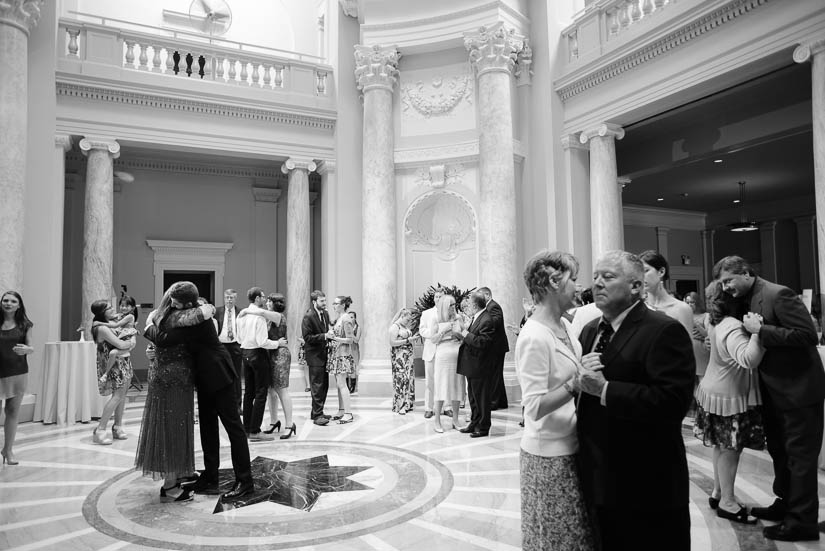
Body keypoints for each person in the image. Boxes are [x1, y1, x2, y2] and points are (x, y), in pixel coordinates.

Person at [577, 250, 694, 551]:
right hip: (599, 476)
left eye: (608, 277)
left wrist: (605, 390)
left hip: (647, 482)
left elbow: (672, 402)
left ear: (636, 287)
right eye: (595, 277)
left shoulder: (663, 330)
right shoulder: (591, 330)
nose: (597, 284)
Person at [714, 255, 825, 541]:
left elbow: (806, 335)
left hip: (799, 390)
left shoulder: (779, 294)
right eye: (722, 283)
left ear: (747, 272)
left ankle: (802, 522)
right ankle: (784, 503)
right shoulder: (747, 298)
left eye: (729, 280)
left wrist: (760, 331)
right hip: (773, 392)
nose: (726, 287)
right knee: (780, 452)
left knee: (799, 458)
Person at [144, 282, 255, 500]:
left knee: (234, 428)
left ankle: (245, 481)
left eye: (175, 299)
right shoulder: (189, 315)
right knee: (208, 428)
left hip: (218, 375)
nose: (171, 302)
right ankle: (210, 476)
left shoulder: (195, 319)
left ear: (185, 302)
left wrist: (147, 327)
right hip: (203, 377)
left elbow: (165, 338)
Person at [516, 250, 596, 550]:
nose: (579, 286)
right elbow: (534, 407)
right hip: (548, 456)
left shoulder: (564, 327)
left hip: (571, 446)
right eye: (573, 279)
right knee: (555, 539)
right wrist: (577, 383)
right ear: (553, 282)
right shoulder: (535, 336)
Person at [693, 281, 765, 524]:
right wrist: (757, 332)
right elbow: (748, 359)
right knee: (730, 450)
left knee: (720, 447)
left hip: (714, 391)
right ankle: (728, 502)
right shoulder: (733, 327)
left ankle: (718, 492)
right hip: (729, 396)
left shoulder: (713, 321)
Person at [134, 282, 211, 501]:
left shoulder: (159, 316)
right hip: (173, 379)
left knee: (176, 425)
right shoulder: (179, 318)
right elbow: (202, 313)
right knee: (172, 428)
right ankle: (170, 486)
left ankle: (178, 474)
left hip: (169, 376)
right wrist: (208, 309)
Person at [237, 287, 285, 441]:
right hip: (258, 354)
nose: (265, 300)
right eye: (263, 297)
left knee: (248, 393)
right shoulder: (259, 317)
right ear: (257, 298)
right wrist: (277, 343)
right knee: (260, 393)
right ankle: (256, 431)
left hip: (245, 353)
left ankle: (246, 429)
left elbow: (238, 339)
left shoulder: (241, 315)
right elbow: (262, 342)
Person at [90, 300, 136, 445]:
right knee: (117, 396)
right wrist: (131, 343)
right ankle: (100, 430)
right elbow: (120, 344)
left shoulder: (112, 321)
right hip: (113, 363)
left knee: (122, 396)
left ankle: (117, 426)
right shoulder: (101, 327)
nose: (113, 309)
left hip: (123, 361)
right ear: (101, 312)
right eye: (108, 308)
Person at [455, 291, 497, 437]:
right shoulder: (477, 317)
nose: (467, 306)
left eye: (469, 304)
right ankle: (474, 422)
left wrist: (464, 333)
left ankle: (484, 427)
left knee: (482, 398)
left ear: (474, 305)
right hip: (472, 365)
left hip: (481, 365)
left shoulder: (487, 319)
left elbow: (482, 343)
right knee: (473, 397)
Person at [0, 291, 34, 465]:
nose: (8, 303)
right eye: (5, 300)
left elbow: (30, 346)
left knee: (12, 412)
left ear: (19, 305)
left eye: (13, 301)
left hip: (18, 371)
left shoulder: (24, 324)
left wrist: (28, 350)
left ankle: (8, 450)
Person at [432, 295, 466, 433]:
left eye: (454, 304)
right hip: (443, 355)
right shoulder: (437, 319)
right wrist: (444, 331)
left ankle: (456, 419)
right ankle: (437, 421)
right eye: (450, 305)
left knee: (457, 386)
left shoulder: (459, 318)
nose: (453, 307)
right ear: (444, 307)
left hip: (457, 354)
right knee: (441, 386)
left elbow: (464, 335)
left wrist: (457, 334)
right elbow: (433, 339)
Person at [639, 250, 693, 334]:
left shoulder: (681, 309)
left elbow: (687, 345)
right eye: (639, 272)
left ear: (661, 272)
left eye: (646, 271)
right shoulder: (639, 308)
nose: (641, 276)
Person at [302, 290, 333, 425]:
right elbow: (307, 338)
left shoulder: (325, 313)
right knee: (317, 386)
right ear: (314, 302)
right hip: (314, 356)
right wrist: (325, 336)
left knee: (324, 385)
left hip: (324, 354)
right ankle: (317, 416)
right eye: (321, 301)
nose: (324, 303)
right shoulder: (308, 316)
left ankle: (317, 411)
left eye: (325, 300)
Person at [97, 295, 139, 391]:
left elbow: (116, 325)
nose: (123, 308)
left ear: (132, 307)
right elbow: (111, 318)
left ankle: (105, 374)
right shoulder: (121, 315)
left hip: (128, 341)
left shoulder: (130, 316)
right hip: (122, 340)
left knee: (113, 353)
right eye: (122, 305)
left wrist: (100, 323)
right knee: (112, 353)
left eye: (127, 306)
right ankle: (107, 374)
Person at [478, 287, 509, 410]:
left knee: (495, 375)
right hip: (495, 347)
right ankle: (502, 401)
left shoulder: (493, 306)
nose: (480, 298)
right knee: (497, 375)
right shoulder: (488, 307)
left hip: (497, 347)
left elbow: (495, 322)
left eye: (481, 296)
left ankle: (494, 402)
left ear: (487, 295)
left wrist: (480, 322)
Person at [327, 296, 356, 424]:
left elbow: (350, 339)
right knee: (339, 385)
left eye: (336, 303)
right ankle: (341, 410)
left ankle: (348, 413)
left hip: (343, 355)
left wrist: (335, 339)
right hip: (337, 354)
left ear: (343, 305)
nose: (334, 305)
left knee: (342, 384)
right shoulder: (339, 318)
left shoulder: (346, 318)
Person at [418, 287, 445, 419]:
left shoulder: (450, 312)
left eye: (440, 296)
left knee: (445, 380)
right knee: (430, 381)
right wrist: (434, 334)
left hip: (445, 350)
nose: (438, 299)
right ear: (434, 298)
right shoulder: (426, 313)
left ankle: (447, 407)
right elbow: (422, 330)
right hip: (431, 350)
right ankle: (428, 408)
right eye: (436, 297)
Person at [216, 289, 243, 413]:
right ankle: (221, 404)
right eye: (227, 297)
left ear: (235, 298)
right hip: (221, 346)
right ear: (224, 298)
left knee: (236, 376)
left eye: (231, 297)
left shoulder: (241, 312)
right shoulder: (217, 311)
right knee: (221, 375)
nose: (229, 300)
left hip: (236, 346)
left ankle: (237, 405)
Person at [388, 308, 417, 414]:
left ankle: (408, 402)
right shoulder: (395, 327)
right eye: (407, 320)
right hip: (399, 357)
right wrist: (407, 340)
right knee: (401, 379)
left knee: (408, 378)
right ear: (402, 316)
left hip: (407, 356)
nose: (408, 322)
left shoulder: (404, 326)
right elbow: (392, 342)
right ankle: (400, 405)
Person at [684, 291, 710, 381]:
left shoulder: (706, 315)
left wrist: (696, 325)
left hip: (701, 351)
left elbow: (708, 334)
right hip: (687, 350)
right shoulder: (683, 315)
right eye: (687, 302)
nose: (689, 305)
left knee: (702, 379)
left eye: (692, 302)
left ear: (697, 303)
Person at [347, 311, 361, 394]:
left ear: (355, 318)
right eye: (349, 317)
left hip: (354, 349)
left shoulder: (358, 328)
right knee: (346, 368)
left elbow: (356, 340)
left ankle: (353, 386)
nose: (350, 319)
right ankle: (347, 385)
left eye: (352, 317)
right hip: (346, 349)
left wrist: (351, 333)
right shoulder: (345, 326)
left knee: (353, 367)